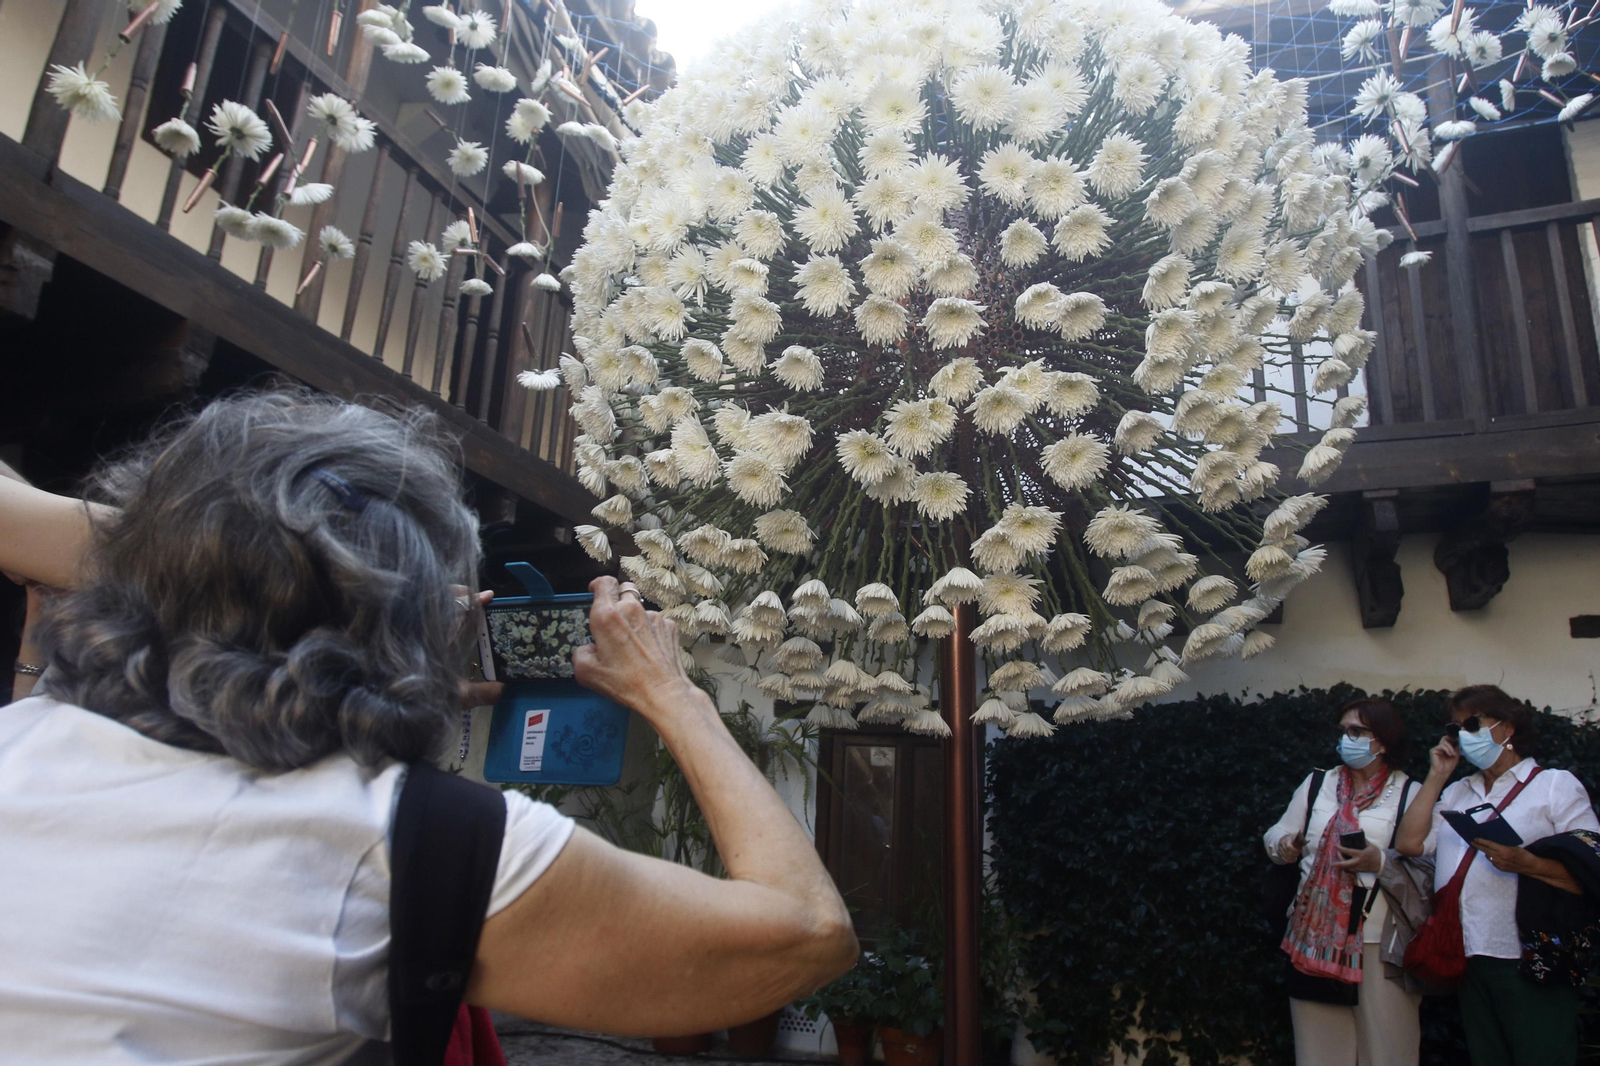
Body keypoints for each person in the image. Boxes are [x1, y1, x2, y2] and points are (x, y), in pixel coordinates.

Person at [0, 390, 858, 1061]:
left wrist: (234, 551)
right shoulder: (409, 840)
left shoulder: (25, 740)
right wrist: (671, 692)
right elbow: (805, 936)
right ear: (412, 620)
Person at [1395, 685, 1599, 1066]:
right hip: (1470, 951)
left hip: (1530, 954)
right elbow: (1408, 843)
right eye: (1456, 728)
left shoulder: (1554, 785)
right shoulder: (1459, 791)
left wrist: (1525, 863)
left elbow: (1591, 866)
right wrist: (1437, 776)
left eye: (1473, 723)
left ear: (1508, 727)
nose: (1463, 735)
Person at [1264, 697, 1420, 1066]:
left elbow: (1427, 863)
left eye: (1357, 731)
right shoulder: (1319, 783)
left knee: (1388, 1051)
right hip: (1312, 938)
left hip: (1379, 940)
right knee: (1319, 1054)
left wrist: (1378, 861)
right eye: (1344, 731)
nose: (1346, 739)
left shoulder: (1409, 792)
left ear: (1383, 741)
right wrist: (1287, 845)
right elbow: (1275, 836)